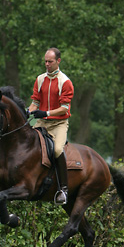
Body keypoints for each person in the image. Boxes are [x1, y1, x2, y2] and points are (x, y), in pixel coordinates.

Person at [28, 47, 74, 205]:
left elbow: (64, 109)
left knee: (56, 150)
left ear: (58, 61)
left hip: (59, 123)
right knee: (26, 142)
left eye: (50, 62)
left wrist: (46, 113)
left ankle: (63, 189)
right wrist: (27, 112)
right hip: (41, 121)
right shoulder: (40, 79)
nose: (47, 64)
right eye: (45, 61)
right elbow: (35, 103)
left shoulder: (65, 82)